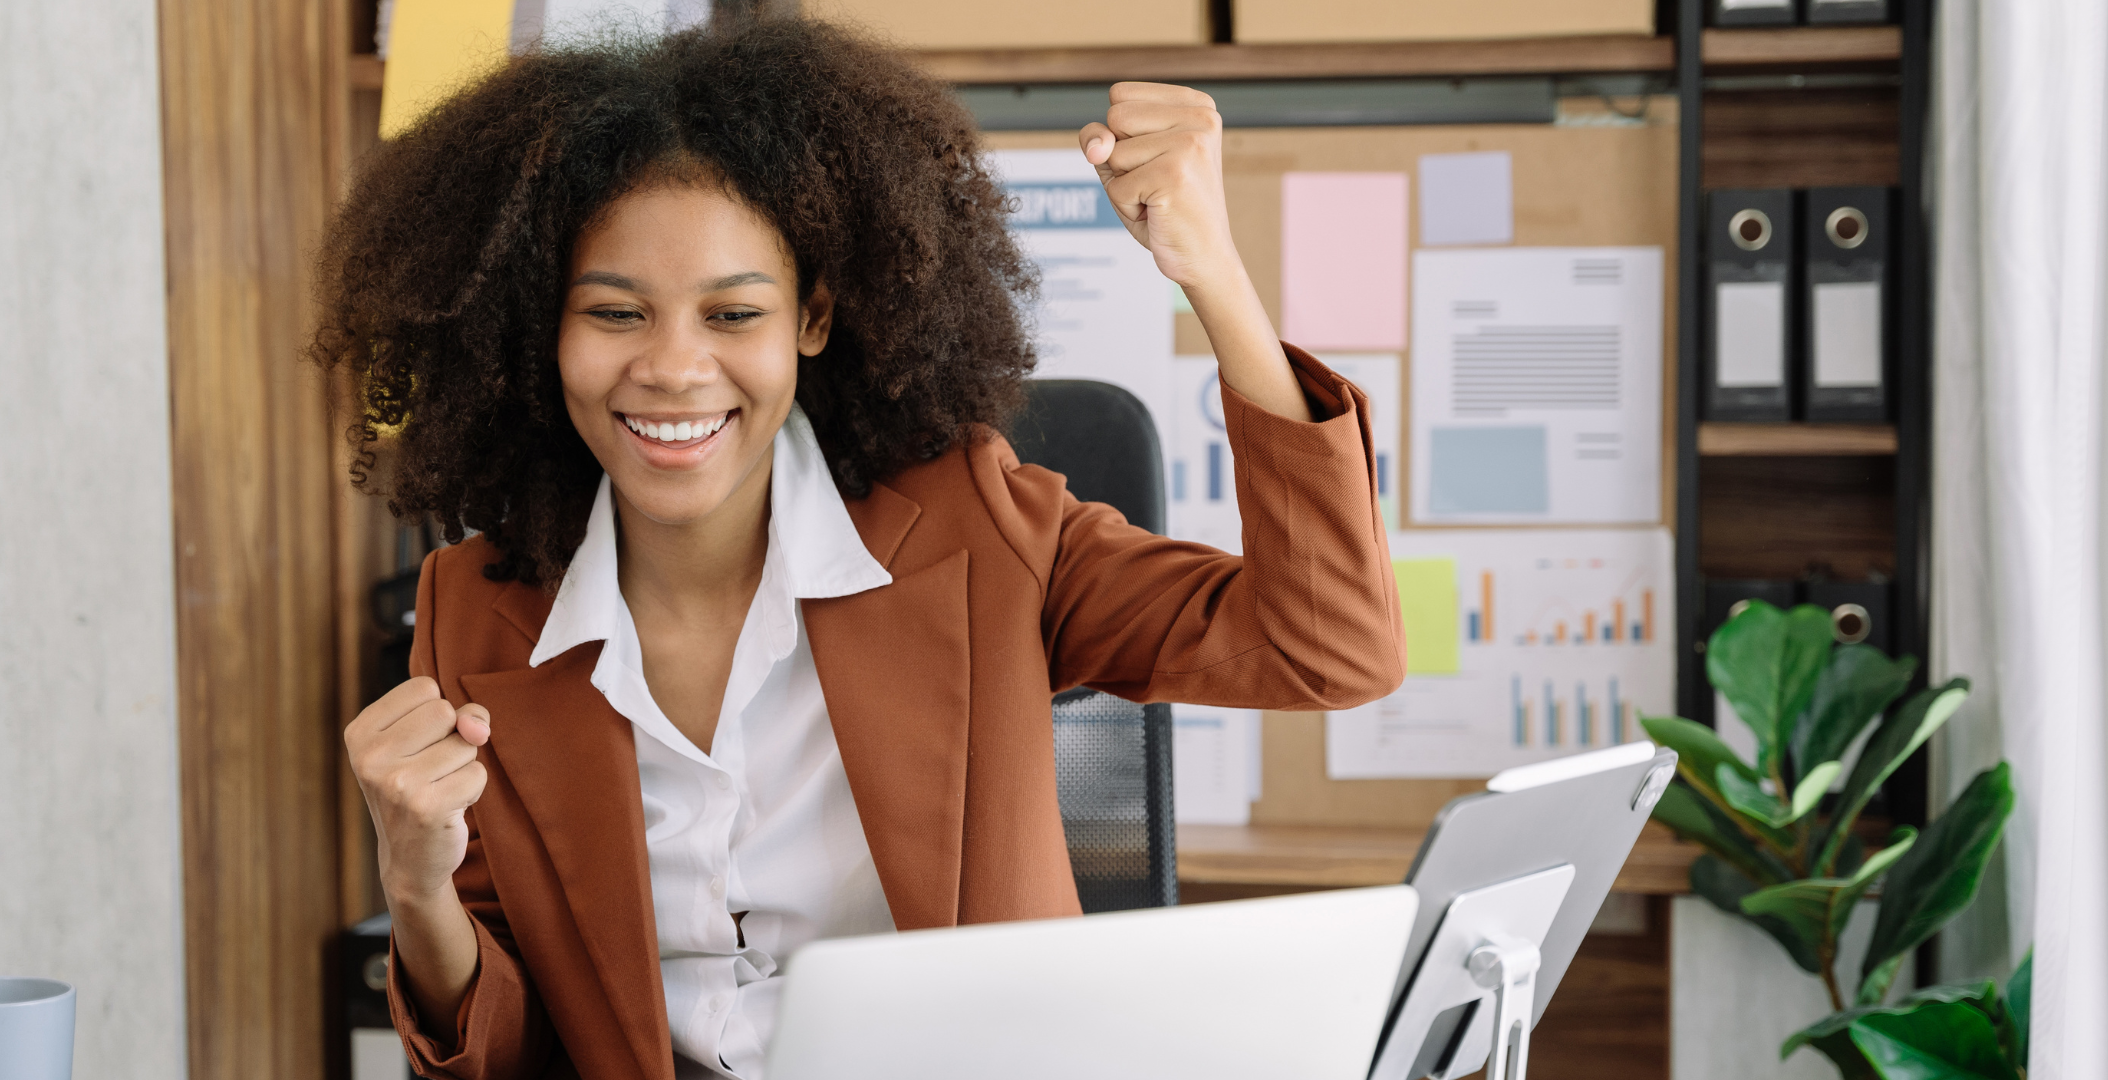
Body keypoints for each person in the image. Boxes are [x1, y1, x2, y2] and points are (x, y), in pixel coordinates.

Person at [315, 16, 1404, 1080]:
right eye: (615, 313)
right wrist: (417, 883)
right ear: (539, 329)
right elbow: (501, 1055)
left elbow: (1329, 648)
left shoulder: (977, 526)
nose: (674, 369)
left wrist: (1212, 274)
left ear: (814, 319)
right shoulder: (478, 609)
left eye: (733, 315)